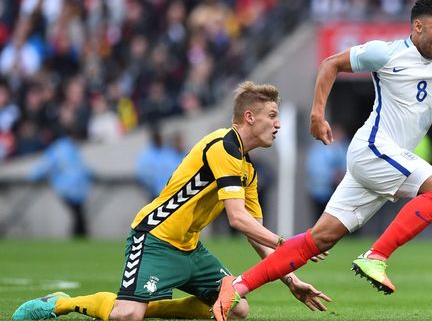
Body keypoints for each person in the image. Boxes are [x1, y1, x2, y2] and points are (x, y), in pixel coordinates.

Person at [212, 0, 432, 320]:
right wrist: (317, 115)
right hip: (374, 148)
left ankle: (238, 286)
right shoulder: (385, 53)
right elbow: (331, 64)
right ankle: (377, 255)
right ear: (418, 27)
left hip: (384, 159)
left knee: (320, 239)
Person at [13, 82, 331, 321]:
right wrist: (287, 244)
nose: (278, 124)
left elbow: (252, 229)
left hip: (190, 249)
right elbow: (237, 219)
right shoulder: (222, 146)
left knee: (237, 308)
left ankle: (144, 305)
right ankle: (60, 303)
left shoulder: (247, 168)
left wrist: (291, 278)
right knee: (126, 316)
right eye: (272, 116)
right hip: (154, 238)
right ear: (249, 117)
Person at [29, 126, 92, 238]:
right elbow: (48, 165)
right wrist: (33, 176)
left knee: (78, 215)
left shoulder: (64, 148)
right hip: (70, 189)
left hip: (69, 189)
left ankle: (79, 237)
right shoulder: (64, 148)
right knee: (78, 215)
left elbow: (46, 165)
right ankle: (79, 237)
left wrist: (34, 176)